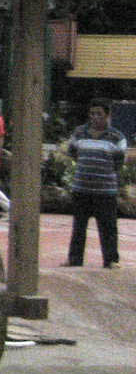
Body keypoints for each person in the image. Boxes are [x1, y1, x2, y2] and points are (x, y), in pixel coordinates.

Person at [64, 100, 127, 269]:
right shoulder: (79, 133)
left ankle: (111, 260)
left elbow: (118, 162)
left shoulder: (117, 137)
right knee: (79, 226)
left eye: (99, 114)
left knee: (108, 227)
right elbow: (73, 153)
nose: (95, 117)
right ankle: (74, 259)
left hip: (106, 191)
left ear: (107, 115)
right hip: (81, 189)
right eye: (92, 113)